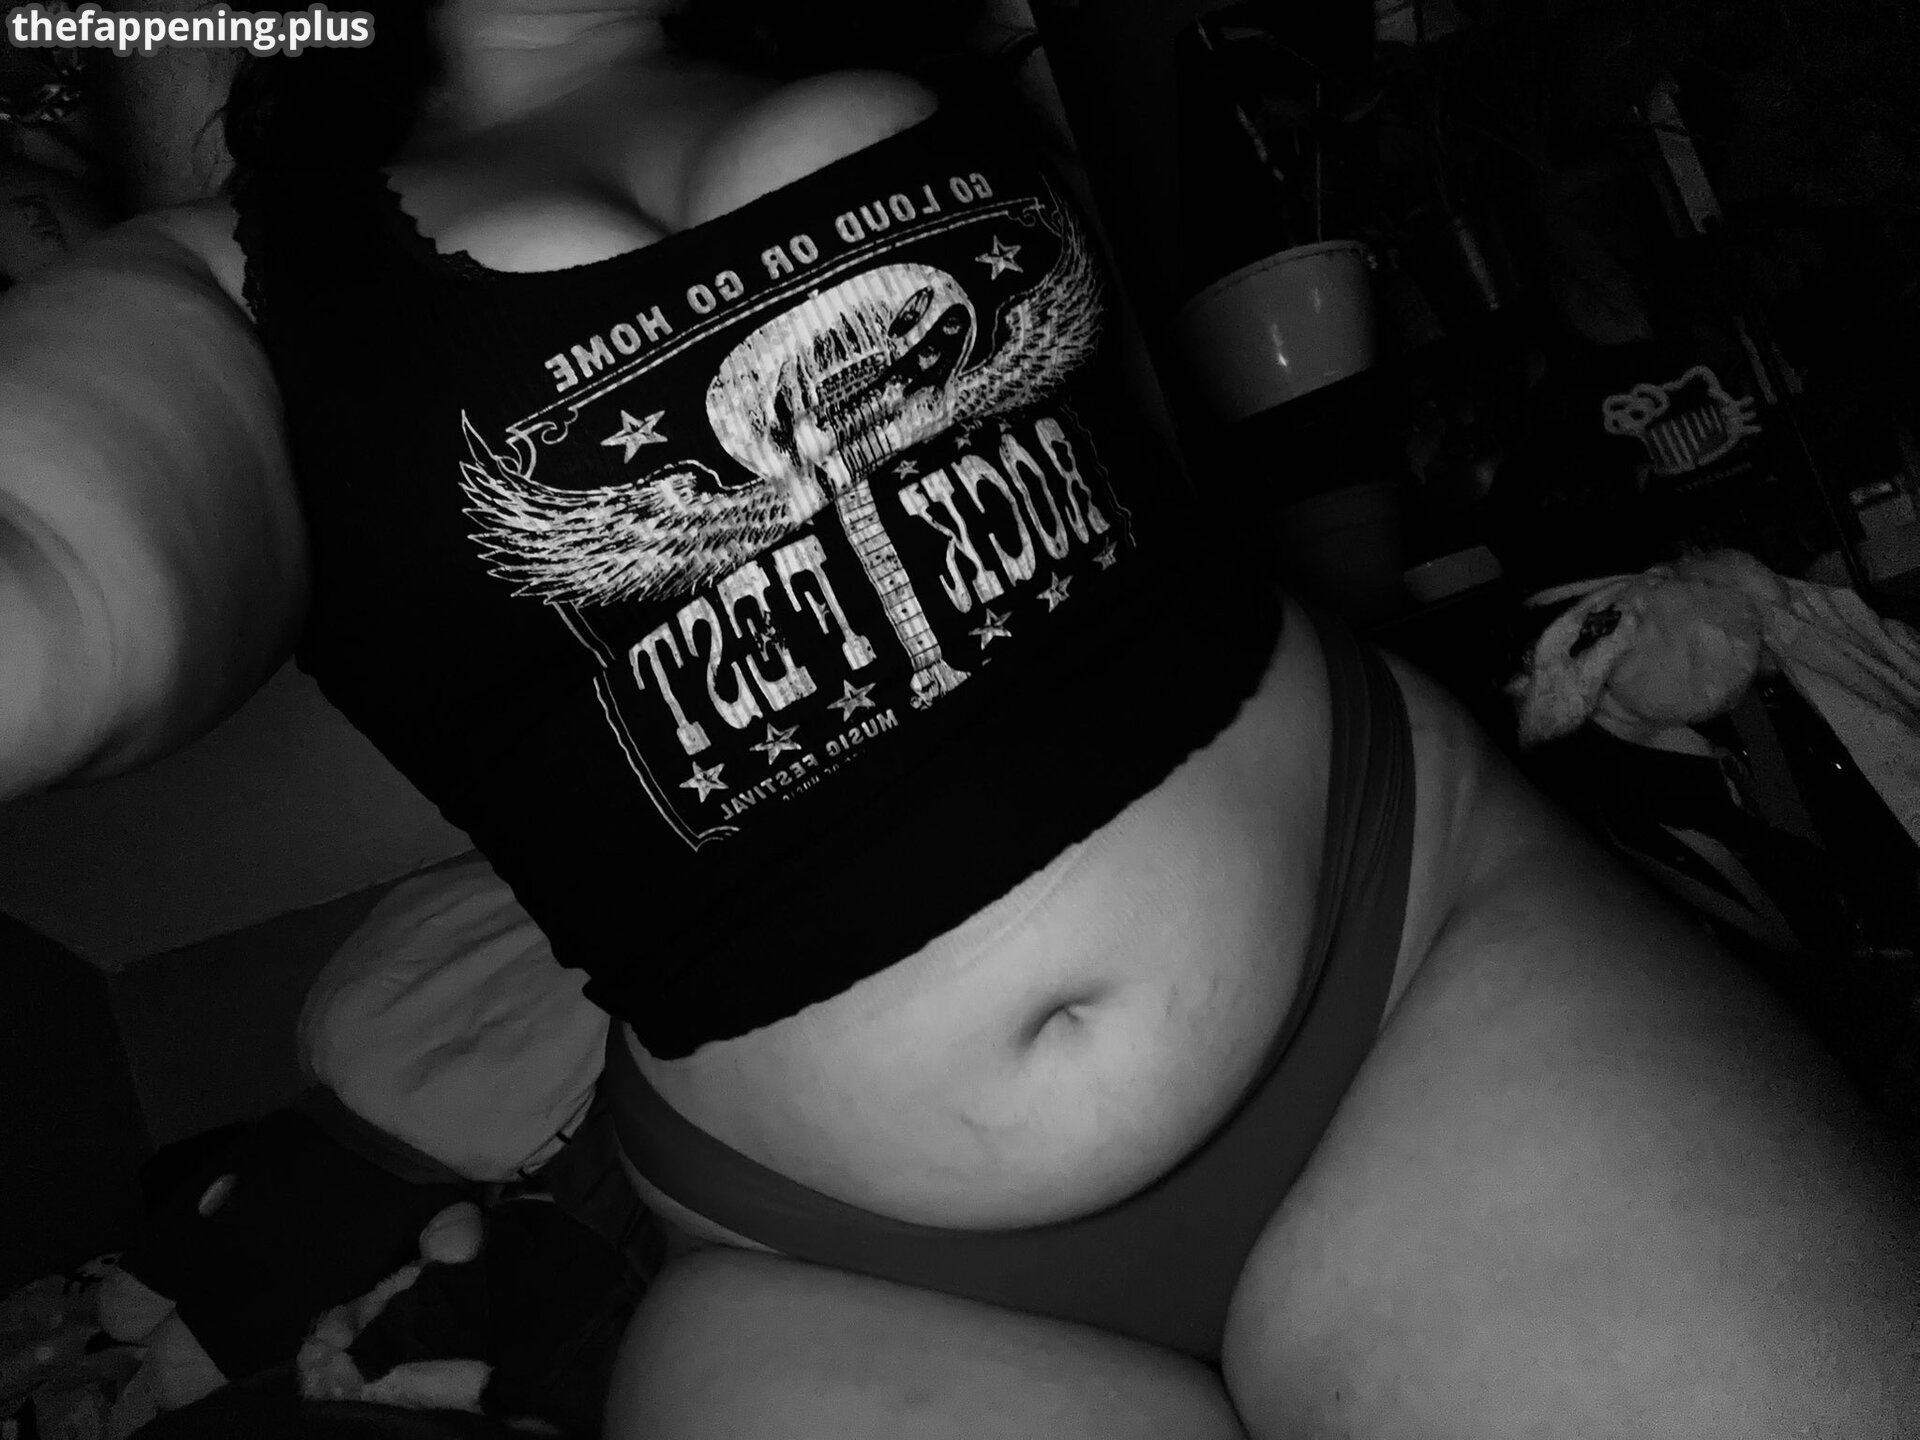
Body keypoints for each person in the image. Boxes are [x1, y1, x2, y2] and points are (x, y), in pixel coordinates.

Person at [2, 1, 1916, 1435]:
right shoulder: (226, 278)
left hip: (1406, 954)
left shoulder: (902, 63)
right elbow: (69, 575)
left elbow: (1175, 515)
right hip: (847, 1271)